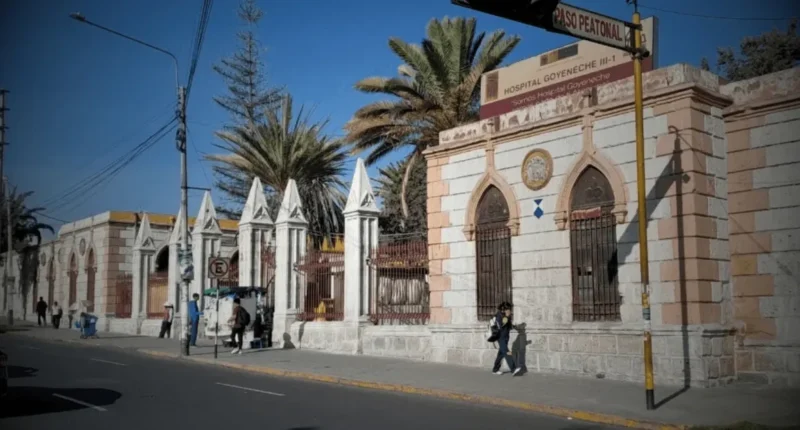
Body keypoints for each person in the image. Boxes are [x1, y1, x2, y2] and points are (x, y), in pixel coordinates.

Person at [491, 301, 521, 376]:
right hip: (500, 337)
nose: (510, 310)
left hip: (506, 337)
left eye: (510, 309)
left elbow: (509, 326)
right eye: (508, 309)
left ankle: (495, 369)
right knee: (507, 352)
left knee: (501, 354)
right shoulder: (499, 315)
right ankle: (513, 369)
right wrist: (507, 317)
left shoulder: (506, 315)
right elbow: (500, 326)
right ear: (504, 309)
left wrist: (515, 326)